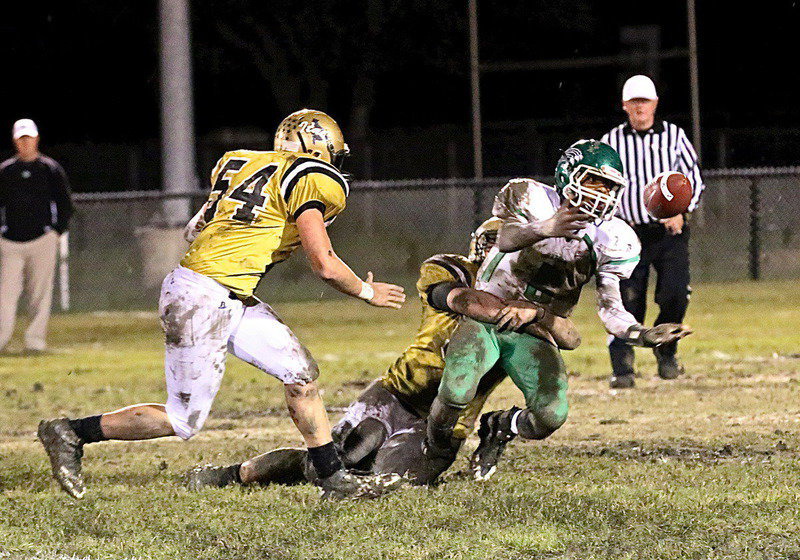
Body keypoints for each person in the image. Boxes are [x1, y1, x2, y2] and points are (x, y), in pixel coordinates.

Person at [38, 109, 407, 500]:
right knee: (184, 419)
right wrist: (368, 293)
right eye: (332, 153)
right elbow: (326, 265)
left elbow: (193, 229)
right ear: (315, 149)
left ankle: (333, 479)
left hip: (226, 294)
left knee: (300, 375)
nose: (334, 163)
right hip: (203, 297)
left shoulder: (239, 161)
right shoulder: (313, 177)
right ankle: (71, 432)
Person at [185, 218, 581, 491]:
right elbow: (461, 301)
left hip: (449, 421)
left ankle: (488, 433)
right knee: (334, 461)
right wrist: (517, 313)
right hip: (396, 392)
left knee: (387, 481)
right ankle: (236, 474)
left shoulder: (529, 305)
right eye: (491, 248)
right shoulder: (449, 269)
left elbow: (569, 337)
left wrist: (540, 315)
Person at [423, 140, 692, 482]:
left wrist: (641, 334)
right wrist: (546, 227)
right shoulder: (531, 197)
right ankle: (432, 452)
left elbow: (611, 309)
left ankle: (500, 426)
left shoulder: (612, 236)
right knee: (455, 391)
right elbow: (504, 239)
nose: (602, 194)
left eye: (610, 187)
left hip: (535, 329)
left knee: (551, 415)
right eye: (594, 181)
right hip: (490, 313)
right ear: (569, 173)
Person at [602, 75, 705, 388]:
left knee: (675, 294)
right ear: (624, 105)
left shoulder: (674, 137)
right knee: (626, 300)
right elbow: (601, 185)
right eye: (633, 102)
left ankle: (666, 350)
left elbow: (694, 179)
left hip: (668, 233)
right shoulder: (611, 142)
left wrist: (681, 210)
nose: (639, 108)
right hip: (627, 234)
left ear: (655, 104)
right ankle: (622, 367)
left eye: (644, 101)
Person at [0, 119, 73, 353]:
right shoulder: (6, 171)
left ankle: (35, 342)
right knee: (5, 296)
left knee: (39, 295)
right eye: (21, 139)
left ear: (36, 139)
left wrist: (55, 232)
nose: (25, 143)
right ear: (15, 141)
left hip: (42, 240)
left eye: (29, 138)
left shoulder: (50, 169)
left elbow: (65, 204)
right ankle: (1, 340)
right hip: (10, 242)